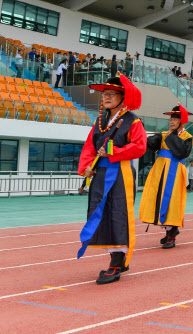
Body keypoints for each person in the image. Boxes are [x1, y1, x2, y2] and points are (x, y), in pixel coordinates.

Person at [76, 75, 147, 284]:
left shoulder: (132, 120)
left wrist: (113, 151)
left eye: (111, 94)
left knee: (117, 213)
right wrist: (86, 168)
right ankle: (117, 257)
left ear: (122, 97)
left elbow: (140, 146)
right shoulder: (99, 122)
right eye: (104, 94)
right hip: (100, 175)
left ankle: (116, 262)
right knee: (101, 214)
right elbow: (90, 146)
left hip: (120, 174)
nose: (106, 97)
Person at [139, 104, 193, 249]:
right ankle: (169, 230)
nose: (171, 122)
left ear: (182, 121)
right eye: (171, 119)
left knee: (173, 202)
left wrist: (171, 136)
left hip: (175, 173)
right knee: (158, 198)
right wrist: (140, 132)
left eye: (175, 119)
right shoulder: (163, 135)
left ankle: (172, 232)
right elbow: (149, 144)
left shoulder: (187, 137)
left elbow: (182, 152)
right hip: (160, 171)